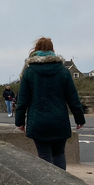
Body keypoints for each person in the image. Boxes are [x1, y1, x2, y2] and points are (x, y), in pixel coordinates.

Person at [15, 37, 85, 170]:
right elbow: (72, 97)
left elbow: (22, 100)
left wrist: (20, 121)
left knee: (44, 155)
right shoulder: (63, 71)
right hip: (59, 120)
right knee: (59, 153)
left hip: (38, 121)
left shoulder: (29, 72)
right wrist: (79, 119)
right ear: (53, 51)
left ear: (35, 51)